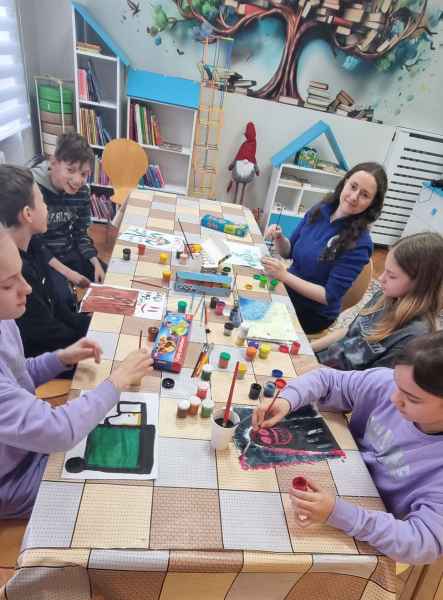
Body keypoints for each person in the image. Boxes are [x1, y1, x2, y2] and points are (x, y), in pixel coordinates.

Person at [0, 224, 153, 519]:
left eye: (21, 272)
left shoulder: (4, 319)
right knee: (115, 495)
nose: (27, 287)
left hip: (26, 445)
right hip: (13, 480)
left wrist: (59, 359)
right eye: (8, 284)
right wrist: (117, 379)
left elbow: (17, 375)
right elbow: (59, 431)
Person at [252, 332, 443, 564]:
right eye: (397, 384)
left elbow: (421, 544)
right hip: (342, 476)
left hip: (373, 523)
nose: (394, 398)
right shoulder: (385, 385)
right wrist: (287, 399)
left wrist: (338, 514)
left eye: (412, 399)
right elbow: (328, 380)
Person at [262, 162, 387, 335]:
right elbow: (288, 252)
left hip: (312, 313)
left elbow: (328, 296)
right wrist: (279, 238)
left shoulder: (360, 244)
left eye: (364, 195)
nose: (353, 197)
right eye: (353, 186)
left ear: (372, 204)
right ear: (345, 182)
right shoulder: (321, 209)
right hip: (287, 289)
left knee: (256, 325)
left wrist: (284, 275)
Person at [312, 232, 443, 369]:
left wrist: (313, 369)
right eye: (385, 270)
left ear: (421, 284)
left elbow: (367, 384)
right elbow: (348, 332)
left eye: (391, 276)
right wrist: (308, 349)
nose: (381, 278)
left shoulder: (413, 337)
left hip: (338, 382)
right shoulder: (384, 295)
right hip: (322, 364)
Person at [0, 164, 91, 357]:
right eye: (42, 201)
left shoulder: (35, 246)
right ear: (28, 213)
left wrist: (91, 325)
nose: (47, 207)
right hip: (46, 359)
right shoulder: (16, 273)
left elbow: (57, 307)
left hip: (62, 345)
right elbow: (47, 334)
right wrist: (91, 337)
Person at [31, 132, 106, 291]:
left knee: (108, 277)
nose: (78, 180)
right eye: (70, 170)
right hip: (44, 258)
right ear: (54, 162)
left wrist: (95, 262)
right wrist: (69, 274)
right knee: (63, 302)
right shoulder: (33, 190)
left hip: (69, 250)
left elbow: (81, 233)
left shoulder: (82, 192)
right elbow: (35, 244)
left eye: (84, 174)